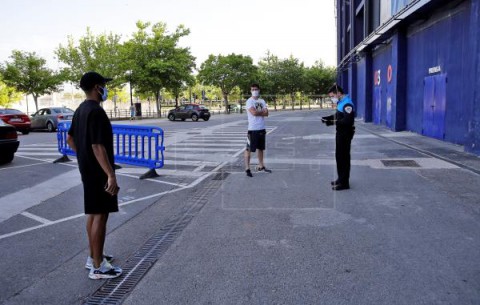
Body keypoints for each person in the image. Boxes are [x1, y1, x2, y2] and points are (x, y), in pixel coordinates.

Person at [67, 71, 122, 280]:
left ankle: (94, 256)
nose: (105, 89)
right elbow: (98, 146)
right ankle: (98, 267)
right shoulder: (96, 112)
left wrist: (83, 157)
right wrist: (110, 175)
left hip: (87, 169)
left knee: (92, 213)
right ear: (96, 88)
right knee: (100, 214)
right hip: (99, 172)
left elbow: (71, 139)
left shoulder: (80, 110)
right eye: (103, 85)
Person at [321, 84, 355, 191]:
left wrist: (332, 122)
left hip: (345, 133)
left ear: (339, 93)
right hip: (340, 133)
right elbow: (338, 116)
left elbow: (347, 120)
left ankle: (344, 183)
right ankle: (341, 179)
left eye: (332, 96)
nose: (332, 99)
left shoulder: (347, 103)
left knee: (344, 157)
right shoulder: (341, 102)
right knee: (339, 157)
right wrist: (328, 118)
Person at [244, 83, 272, 177]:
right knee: (249, 149)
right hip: (252, 129)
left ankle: (261, 166)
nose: (254, 91)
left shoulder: (262, 101)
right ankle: (247, 168)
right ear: (250, 91)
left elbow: (267, 113)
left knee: (261, 149)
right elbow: (254, 113)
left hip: (261, 128)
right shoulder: (249, 101)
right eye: (252, 89)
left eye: (256, 89)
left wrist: (259, 112)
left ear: (259, 90)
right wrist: (261, 112)